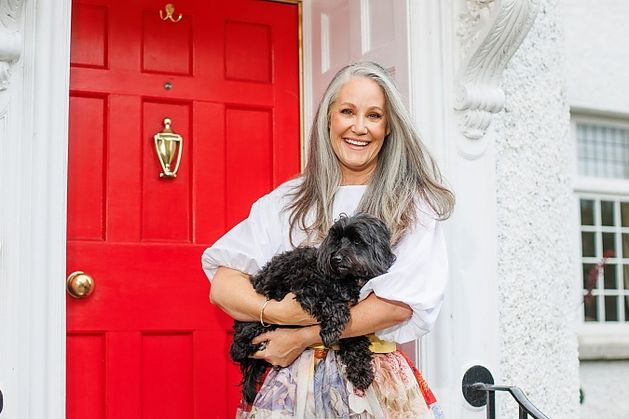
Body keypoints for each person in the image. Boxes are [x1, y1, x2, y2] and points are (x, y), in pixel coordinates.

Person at [202, 61, 454, 418]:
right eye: (348, 111)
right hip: (288, 392)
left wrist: (302, 335)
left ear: (389, 128)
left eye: (374, 115)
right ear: (328, 120)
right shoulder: (287, 200)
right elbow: (223, 283)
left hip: (371, 384)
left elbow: (398, 303)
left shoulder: (412, 203)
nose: (359, 127)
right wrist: (277, 312)